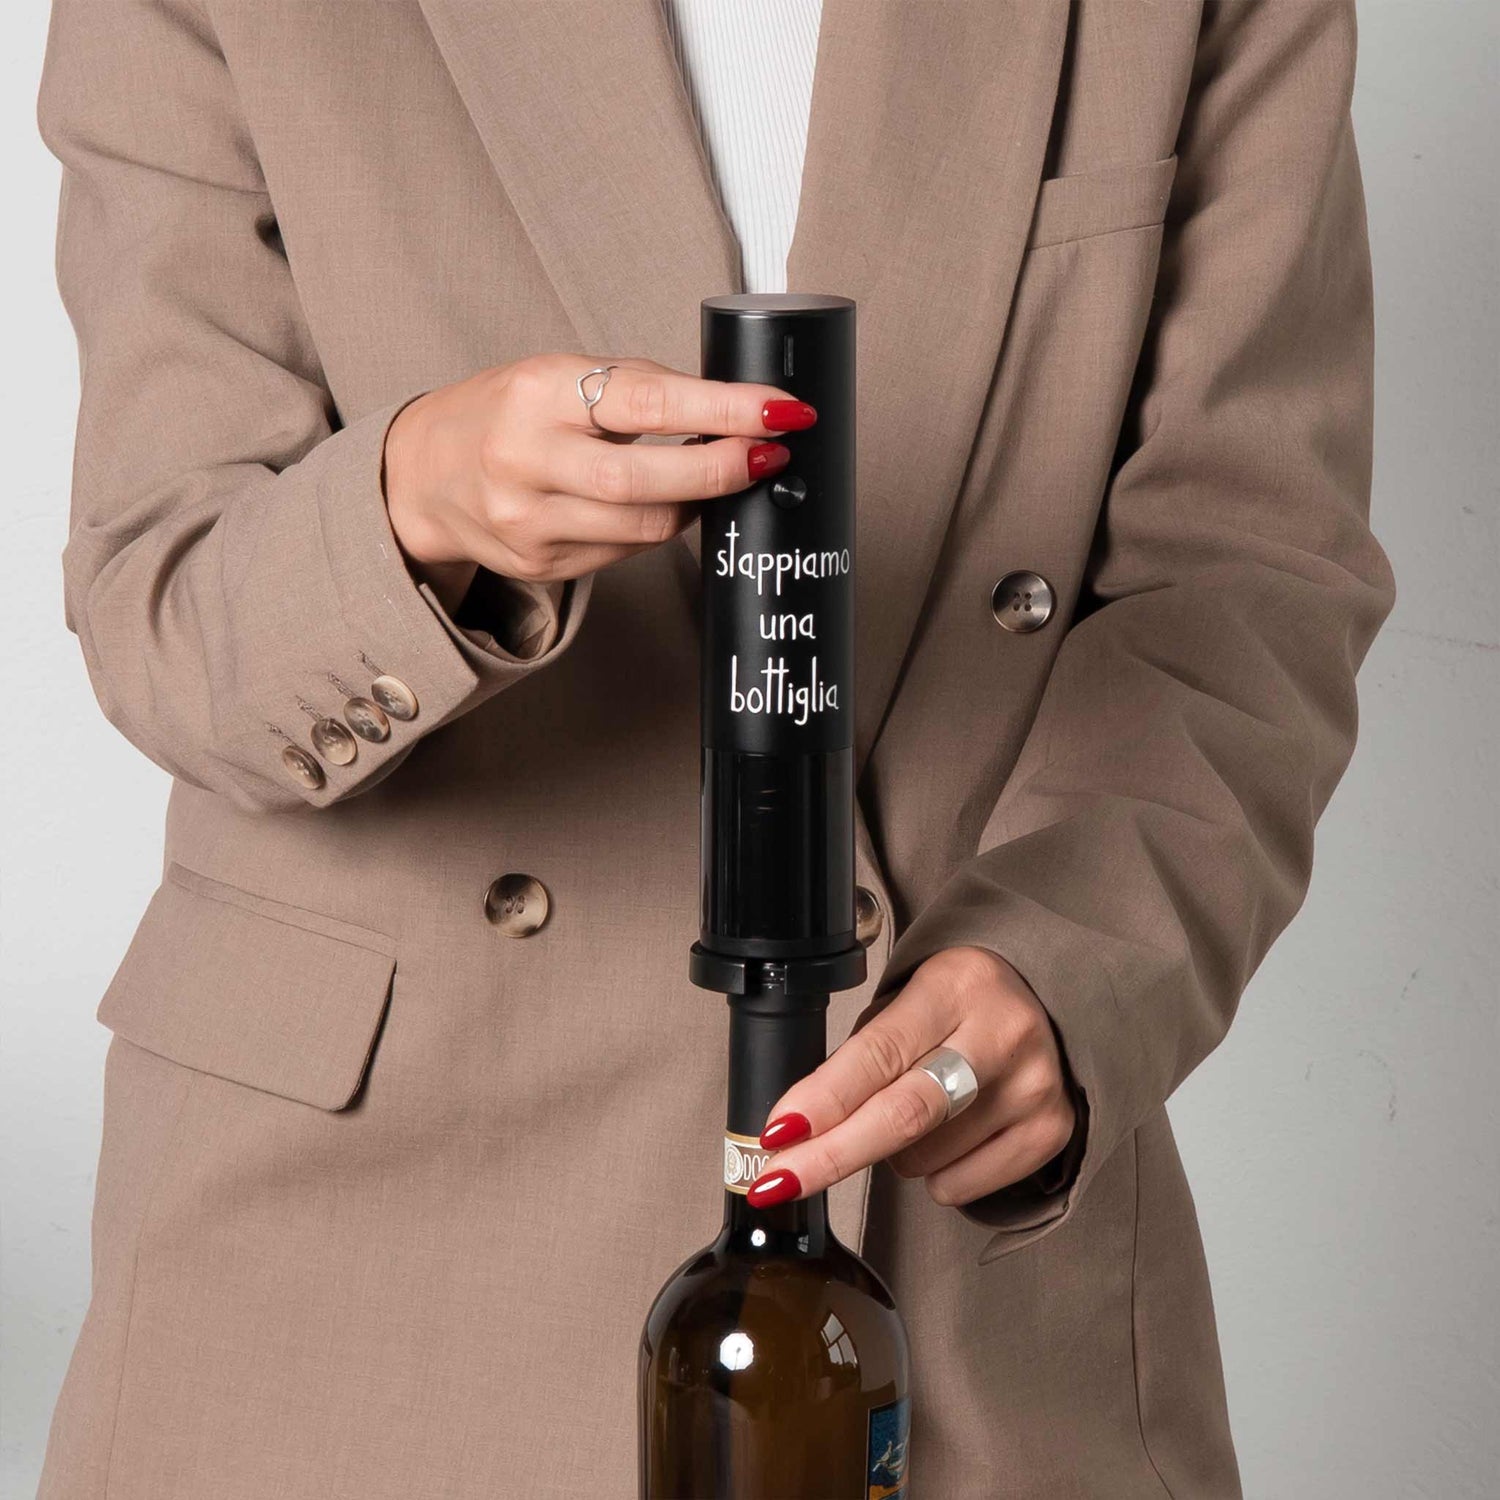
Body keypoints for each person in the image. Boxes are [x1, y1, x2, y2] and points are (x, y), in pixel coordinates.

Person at [34, 1, 1393, 1496]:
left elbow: (1247, 568)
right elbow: (161, 610)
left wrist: (1076, 963)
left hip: (951, 1246)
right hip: (354, 1272)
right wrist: (414, 505)